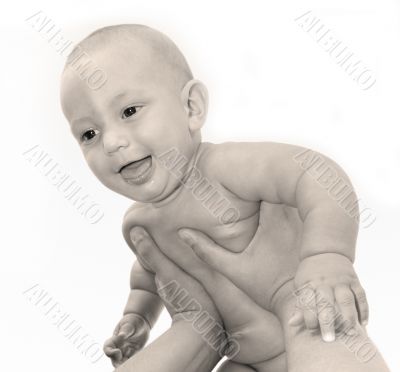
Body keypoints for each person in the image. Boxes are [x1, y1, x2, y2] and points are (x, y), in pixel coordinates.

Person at [60, 24, 389, 371]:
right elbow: (147, 276)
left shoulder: (223, 168)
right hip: (241, 357)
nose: (111, 142)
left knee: (326, 337)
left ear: (191, 107)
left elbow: (315, 174)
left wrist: (327, 256)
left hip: (303, 312)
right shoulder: (140, 223)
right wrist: (136, 317)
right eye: (89, 134)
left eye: (129, 112)